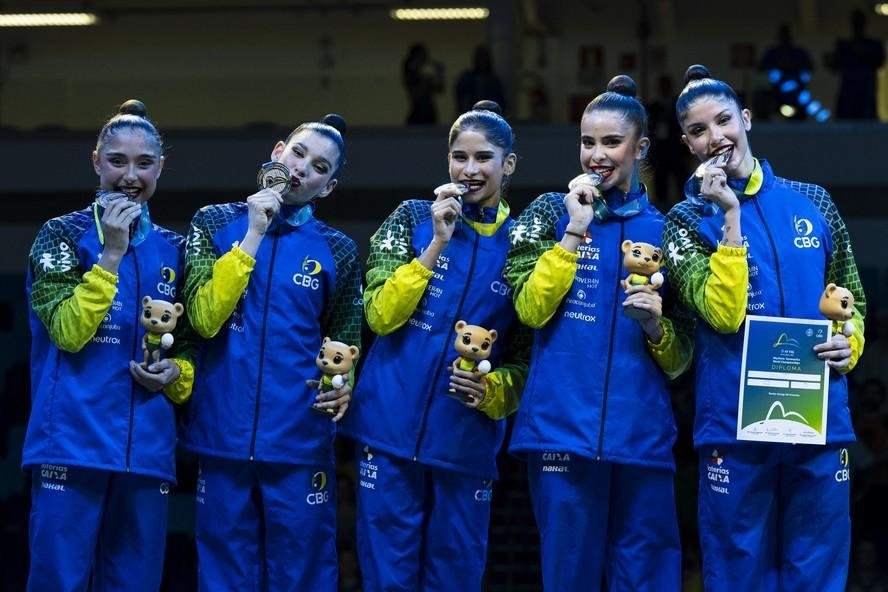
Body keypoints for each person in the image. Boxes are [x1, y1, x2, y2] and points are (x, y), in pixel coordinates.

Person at [663, 64, 867, 591]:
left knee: (817, 574)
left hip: (818, 422)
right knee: (737, 576)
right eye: (699, 130)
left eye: (724, 121)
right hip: (734, 428)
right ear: (687, 142)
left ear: (746, 119)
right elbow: (721, 314)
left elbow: (851, 297)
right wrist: (728, 217)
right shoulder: (685, 223)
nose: (716, 138)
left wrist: (851, 344)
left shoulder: (814, 202)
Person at [504, 75, 693, 591]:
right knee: (568, 579)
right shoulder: (548, 213)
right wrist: (572, 230)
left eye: (611, 142)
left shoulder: (670, 231)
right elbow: (529, 310)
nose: (597, 155)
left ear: (641, 147)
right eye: (588, 142)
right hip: (561, 431)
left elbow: (679, 361)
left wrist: (656, 325)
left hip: (642, 438)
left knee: (649, 580)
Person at [340, 100, 530, 591]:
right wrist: (436, 245)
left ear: (508, 165)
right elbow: (379, 315)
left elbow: (525, 358)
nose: (469, 170)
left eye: (484, 158)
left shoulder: (524, 243)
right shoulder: (410, 219)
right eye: (459, 157)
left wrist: (491, 391)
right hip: (386, 429)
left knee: (457, 578)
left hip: (464, 442)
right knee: (387, 579)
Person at [180, 114, 362, 591]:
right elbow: (201, 319)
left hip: (299, 437)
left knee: (302, 574)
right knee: (224, 574)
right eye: (299, 153)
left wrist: (342, 386)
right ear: (279, 151)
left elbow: (346, 336)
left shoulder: (338, 250)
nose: (303, 169)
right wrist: (254, 232)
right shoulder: (214, 223)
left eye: (319, 167)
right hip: (222, 433)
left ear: (328, 186)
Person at [23, 99, 195, 591]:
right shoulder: (59, 235)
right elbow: (67, 331)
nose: (130, 176)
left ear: (161, 167)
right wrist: (112, 255)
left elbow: (187, 346)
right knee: (59, 582)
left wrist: (176, 373)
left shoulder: (177, 249)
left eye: (144, 163)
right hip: (71, 444)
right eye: (118, 161)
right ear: (96, 161)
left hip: (146, 450)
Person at [831, 10, 886, 120]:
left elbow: (879, 61)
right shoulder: (845, 46)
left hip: (866, 95)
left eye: (859, 21)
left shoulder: (873, 45)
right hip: (849, 97)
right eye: (856, 21)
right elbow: (835, 66)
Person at [758, 24, 814, 120]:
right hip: (777, 93)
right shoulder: (773, 53)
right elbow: (761, 67)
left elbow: (810, 67)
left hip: (797, 93)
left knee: (799, 117)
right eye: (782, 36)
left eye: (786, 36)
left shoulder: (799, 53)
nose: (784, 39)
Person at [455, 45, 507, 115]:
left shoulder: (493, 81)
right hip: (471, 116)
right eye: (480, 57)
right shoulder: (467, 79)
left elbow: (500, 102)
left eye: (484, 57)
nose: (482, 60)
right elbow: (461, 100)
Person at [402, 43, 445, 125]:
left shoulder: (423, 77)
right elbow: (416, 96)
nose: (424, 59)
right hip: (420, 115)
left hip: (428, 114)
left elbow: (440, 89)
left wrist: (440, 73)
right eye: (422, 56)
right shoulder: (412, 75)